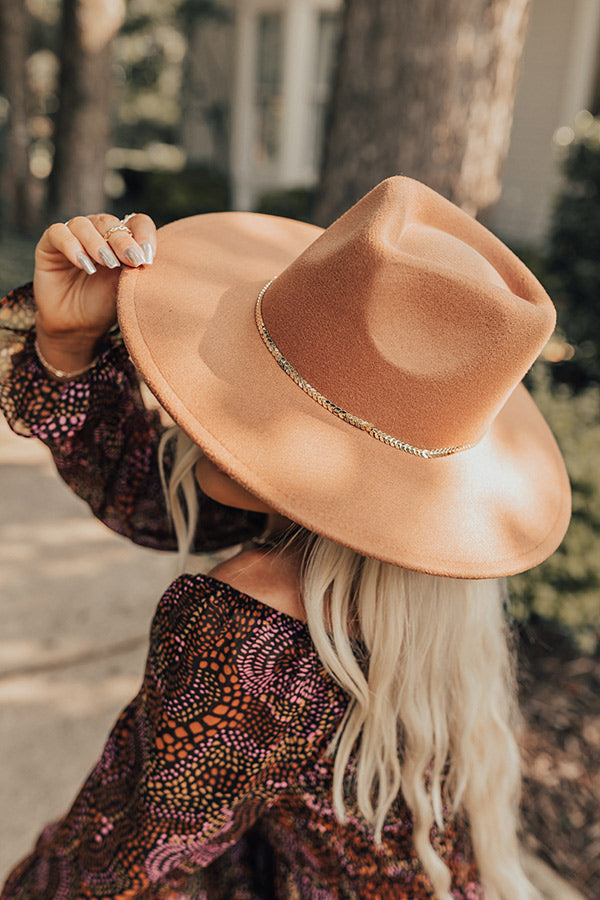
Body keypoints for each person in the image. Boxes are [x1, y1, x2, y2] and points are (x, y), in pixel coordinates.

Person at [0, 176, 571, 900]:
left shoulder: (248, 637)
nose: (207, 401)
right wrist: (68, 342)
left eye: (263, 384)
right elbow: (151, 497)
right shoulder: (398, 588)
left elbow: (105, 872)